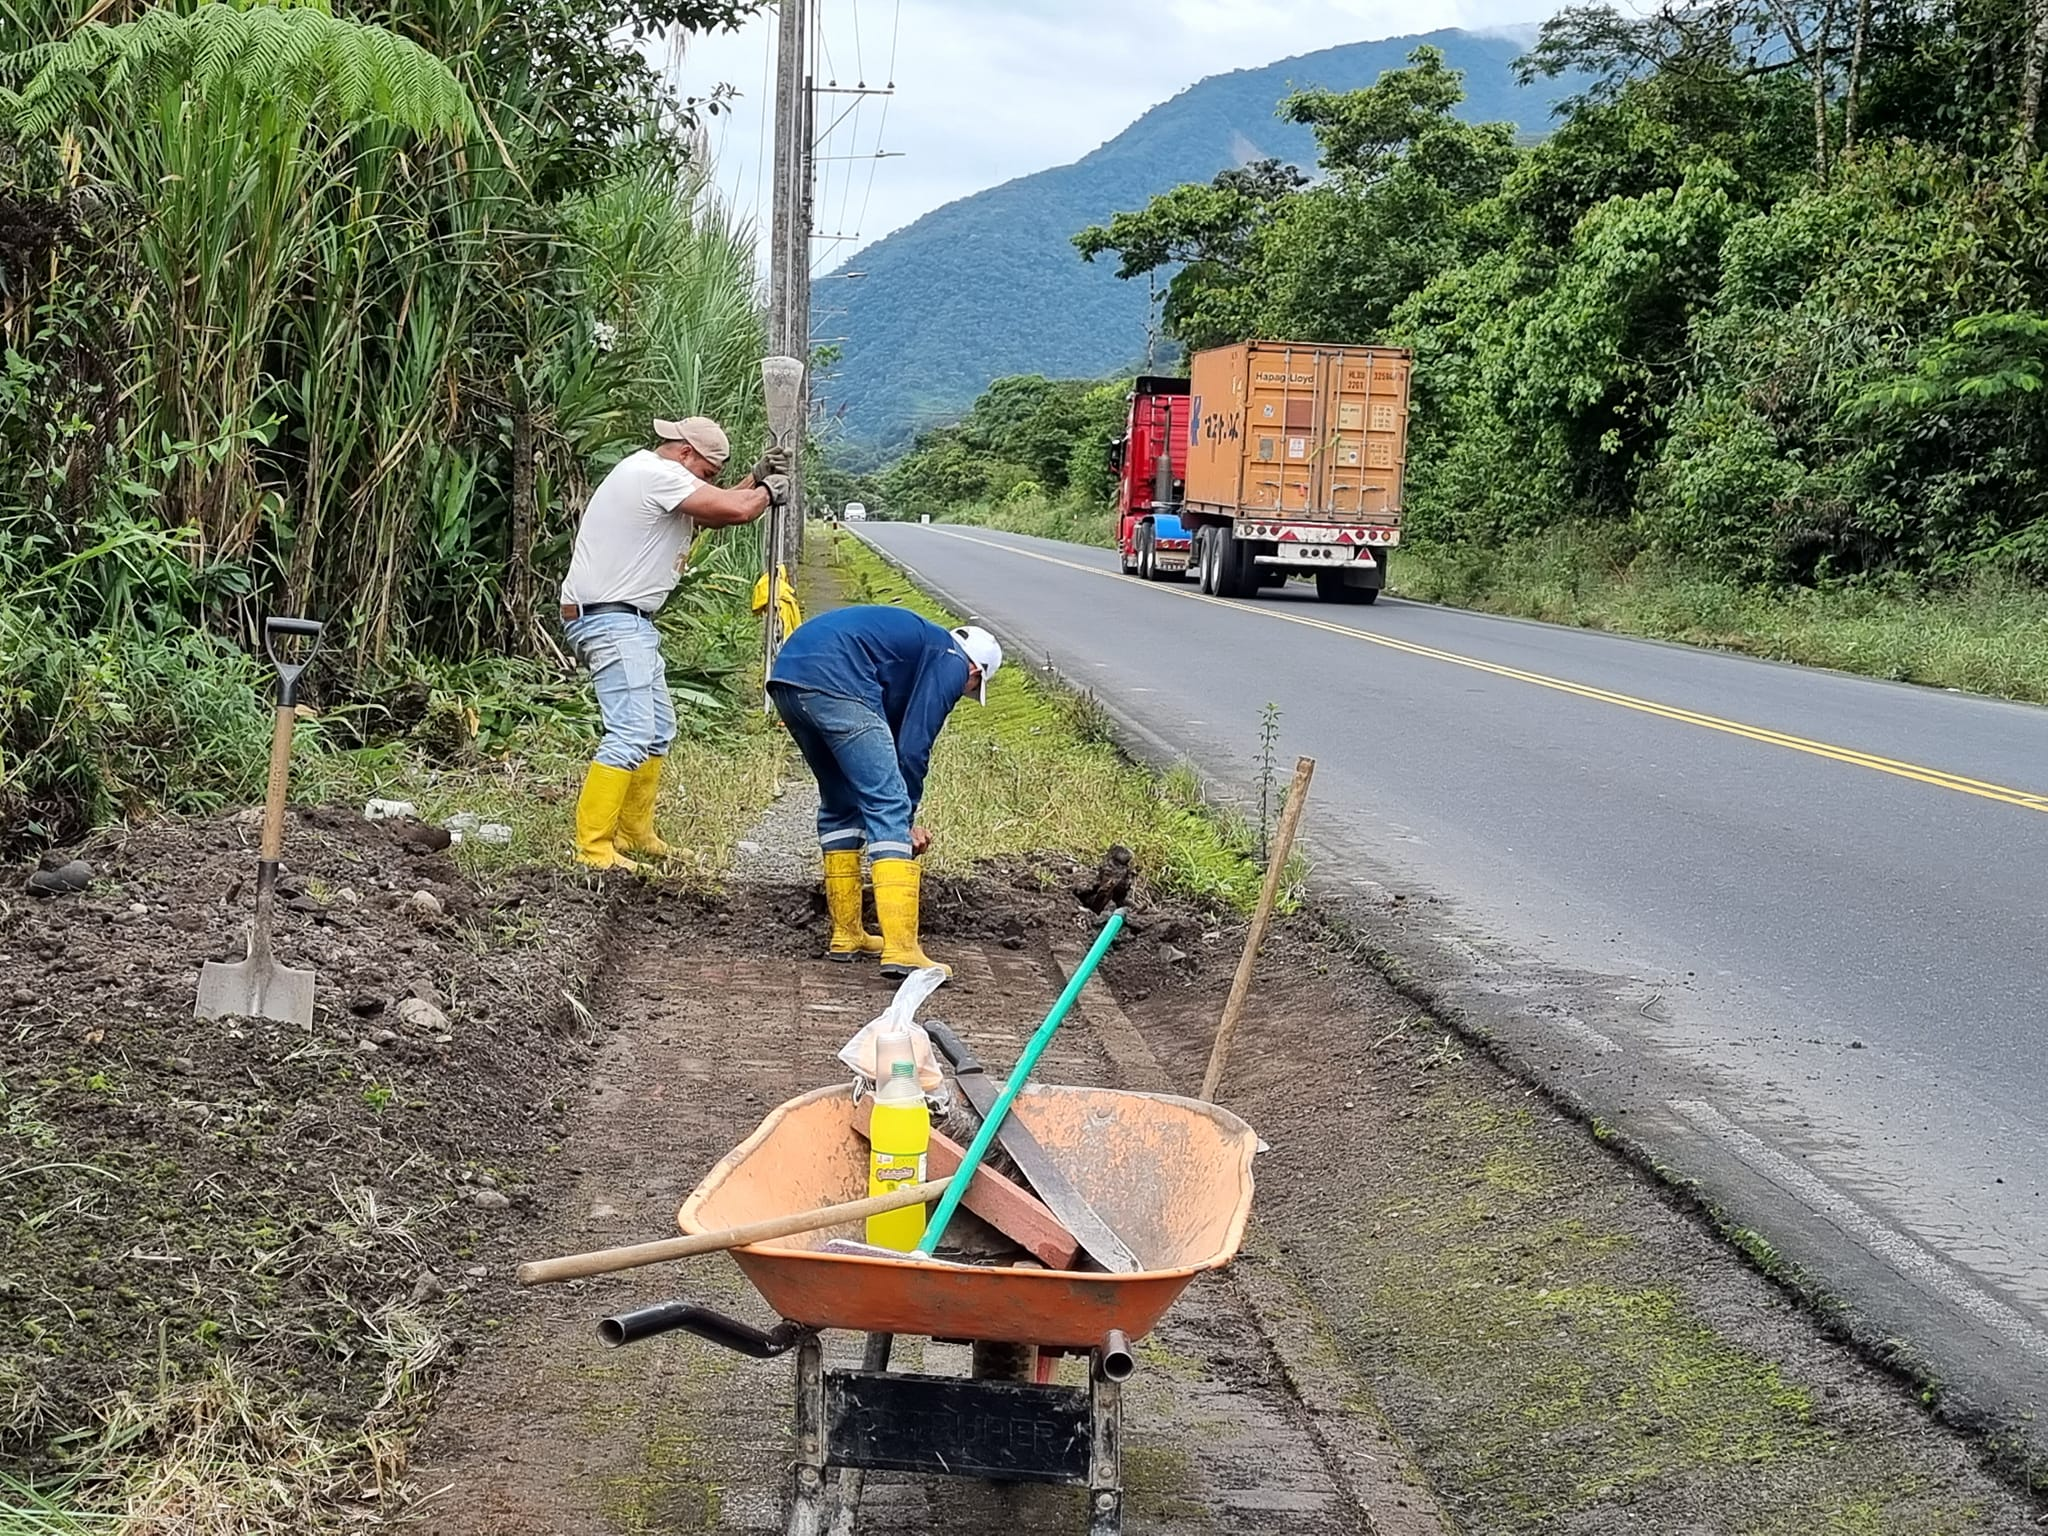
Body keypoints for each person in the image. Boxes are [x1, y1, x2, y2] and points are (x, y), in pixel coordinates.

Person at [561, 416, 787, 869]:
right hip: (611, 620)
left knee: (657, 729)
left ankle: (634, 833)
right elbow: (735, 511)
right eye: (706, 473)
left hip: (626, 621)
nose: (707, 482)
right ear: (685, 452)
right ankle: (593, 848)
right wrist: (767, 492)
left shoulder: (657, 477)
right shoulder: (655, 473)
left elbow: (714, 510)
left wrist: (756, 478)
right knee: (631, 732)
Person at [767, 605, 1003, 977]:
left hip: (788, 679)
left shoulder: (917, 648)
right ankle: (902, 949)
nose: (962, 693)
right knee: (889, 805)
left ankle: (847, 935)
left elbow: (885, 738)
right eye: (970, 690)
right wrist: (904, 822)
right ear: (975, 673)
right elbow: (913, 747)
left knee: (841, 806)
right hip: (838, 681)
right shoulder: (952, 660)